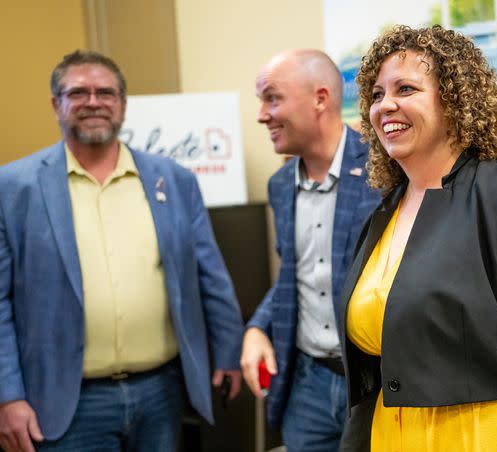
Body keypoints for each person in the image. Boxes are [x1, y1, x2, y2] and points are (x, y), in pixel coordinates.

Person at [334, 25, 497, 451]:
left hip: (483, 436)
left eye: (406, 88)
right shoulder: (383, 214)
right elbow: (373, 378)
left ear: (456, 100)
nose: (386, 106)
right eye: (377, 94)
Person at [0, 50, 245, 452]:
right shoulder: (13, 188)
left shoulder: (174, 180)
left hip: (161, 393)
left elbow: (209, 275)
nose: (93, 102)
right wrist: (7, 396)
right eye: (77, 93)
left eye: (106, 93)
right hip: (66, 403)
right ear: (55, 104)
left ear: (123, 105)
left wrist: (228, 351)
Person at [239, 49, 380, 452]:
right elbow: (295, 277)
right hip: (306, 388)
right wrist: (256, 327)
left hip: (375, 387)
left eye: (272, 98)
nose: (262, 115)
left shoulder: (386, 170)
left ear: (320, 98)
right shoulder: (280, 186)